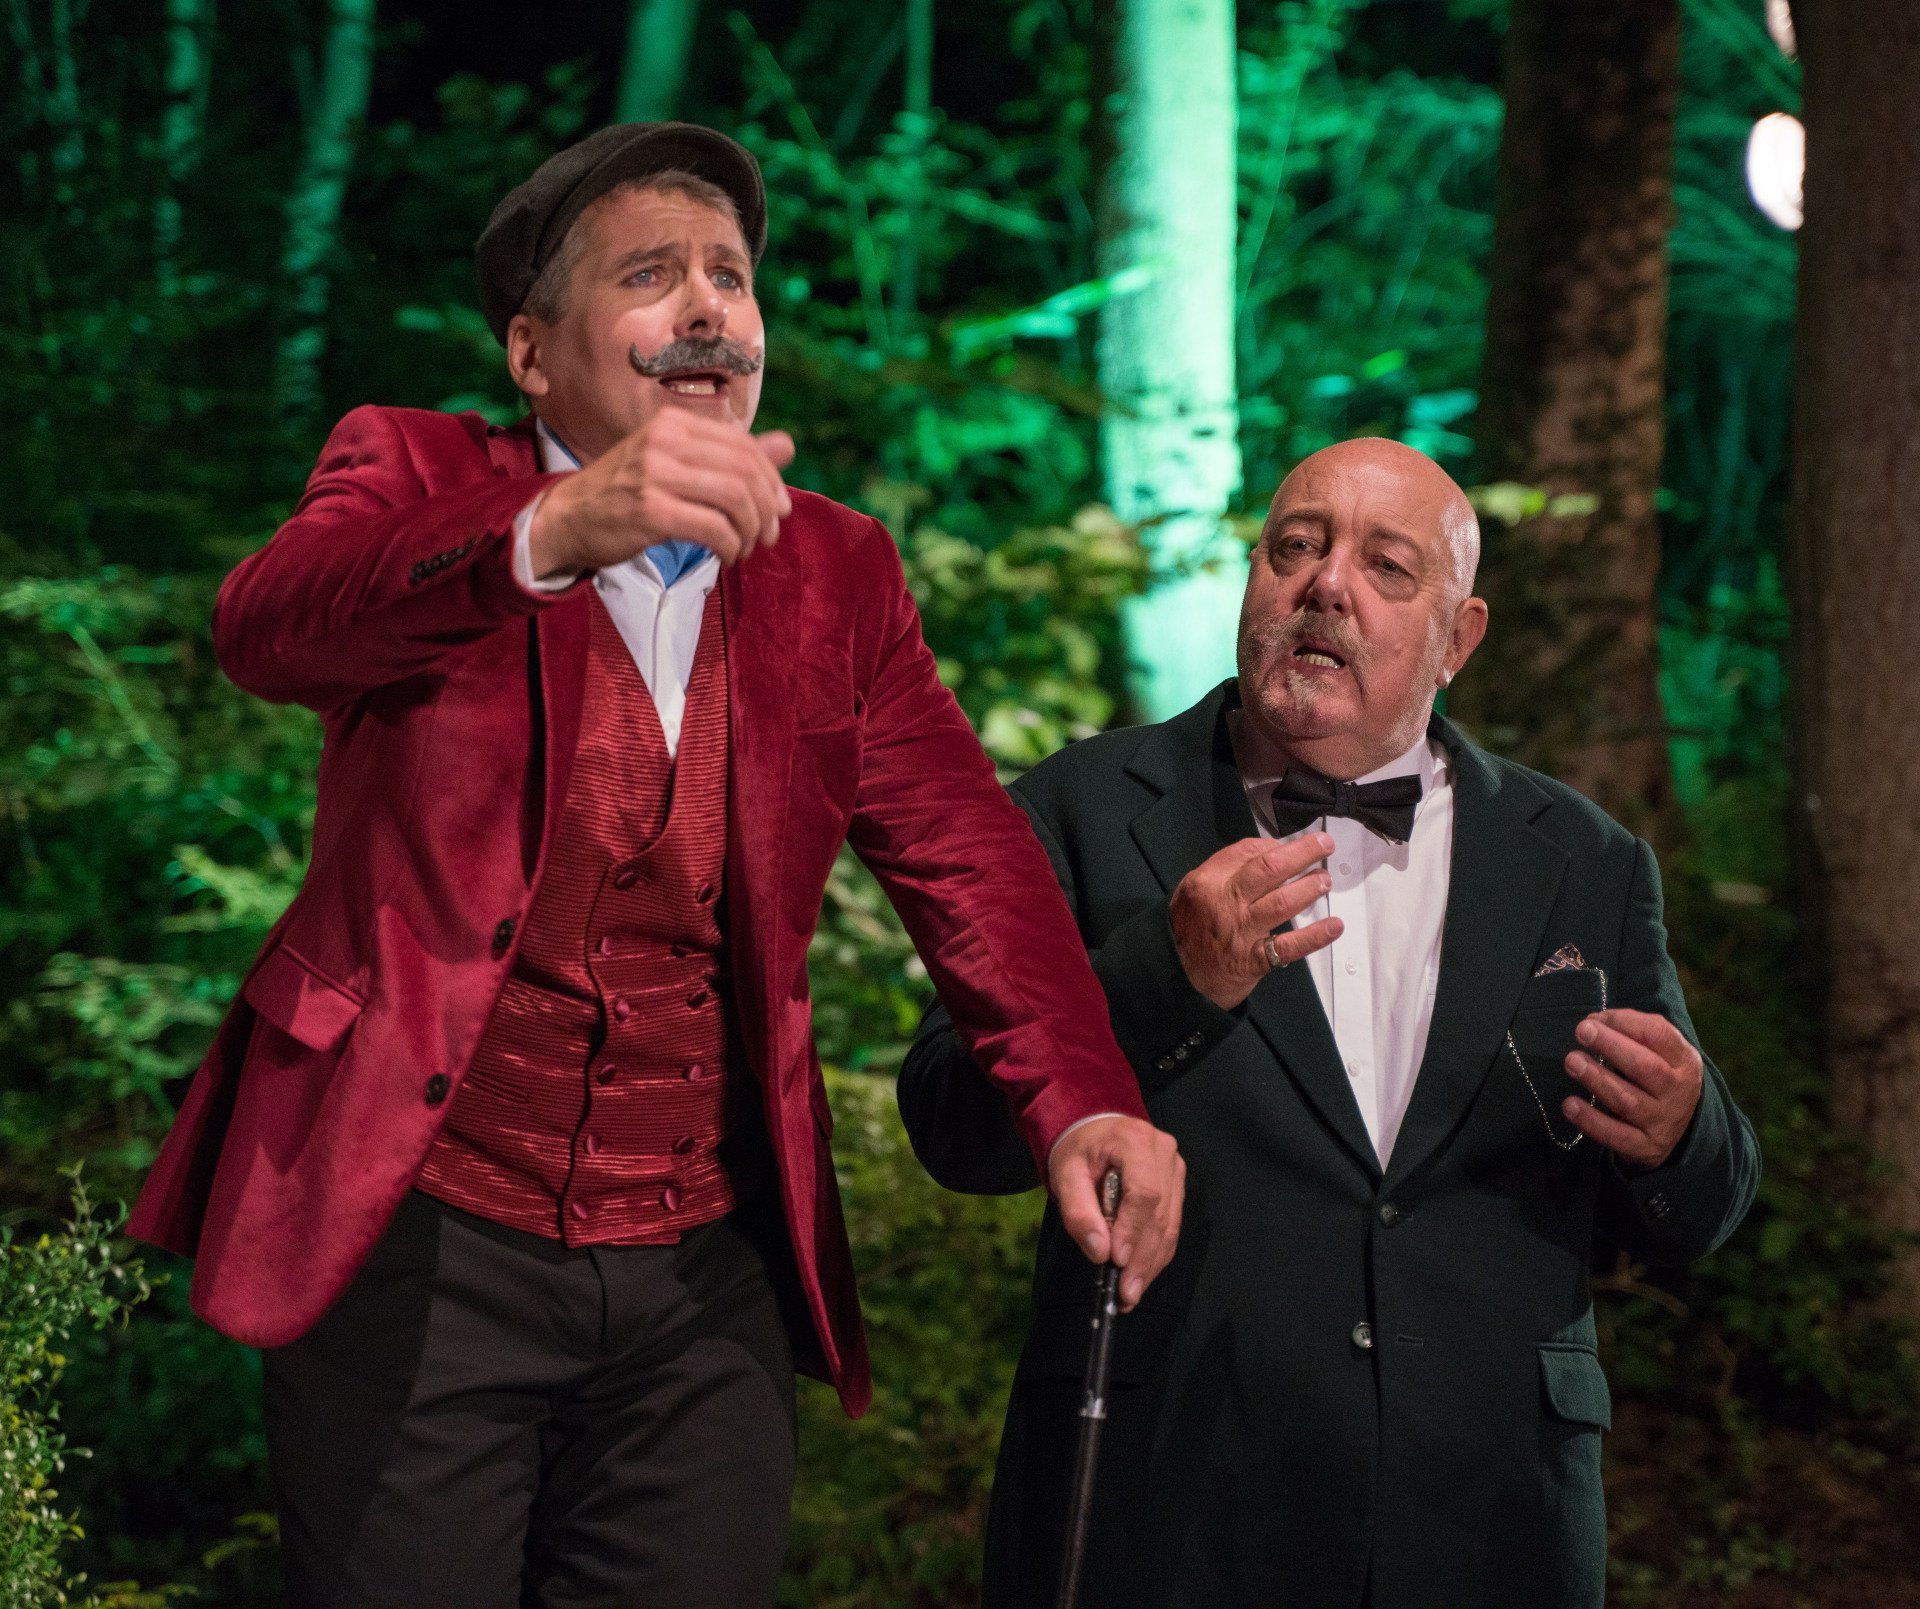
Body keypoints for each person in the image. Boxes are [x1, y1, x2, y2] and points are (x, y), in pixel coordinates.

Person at [127, 121, 1184, 1609]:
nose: (708, 308)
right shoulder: (415, 467)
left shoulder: (836, 567)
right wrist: (551, 526)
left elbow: (968, 855)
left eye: (731, 278)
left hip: (701, 1266)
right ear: (531, 352)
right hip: (421, 1227)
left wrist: (1084, 1098)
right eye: (650, 275)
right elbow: (270, 625)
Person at [898, 437, 1760, 1609]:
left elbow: (1703, 1205)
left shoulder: (1585, 861)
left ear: (1458, 640)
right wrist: (1164, 976)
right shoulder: (1082, 809)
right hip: (1167, 1515)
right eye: (1295, 546)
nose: (1327, 584)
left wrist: (1681, 1130)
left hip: (1489, 1528)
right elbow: (952, 1120)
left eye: (1387, 566)